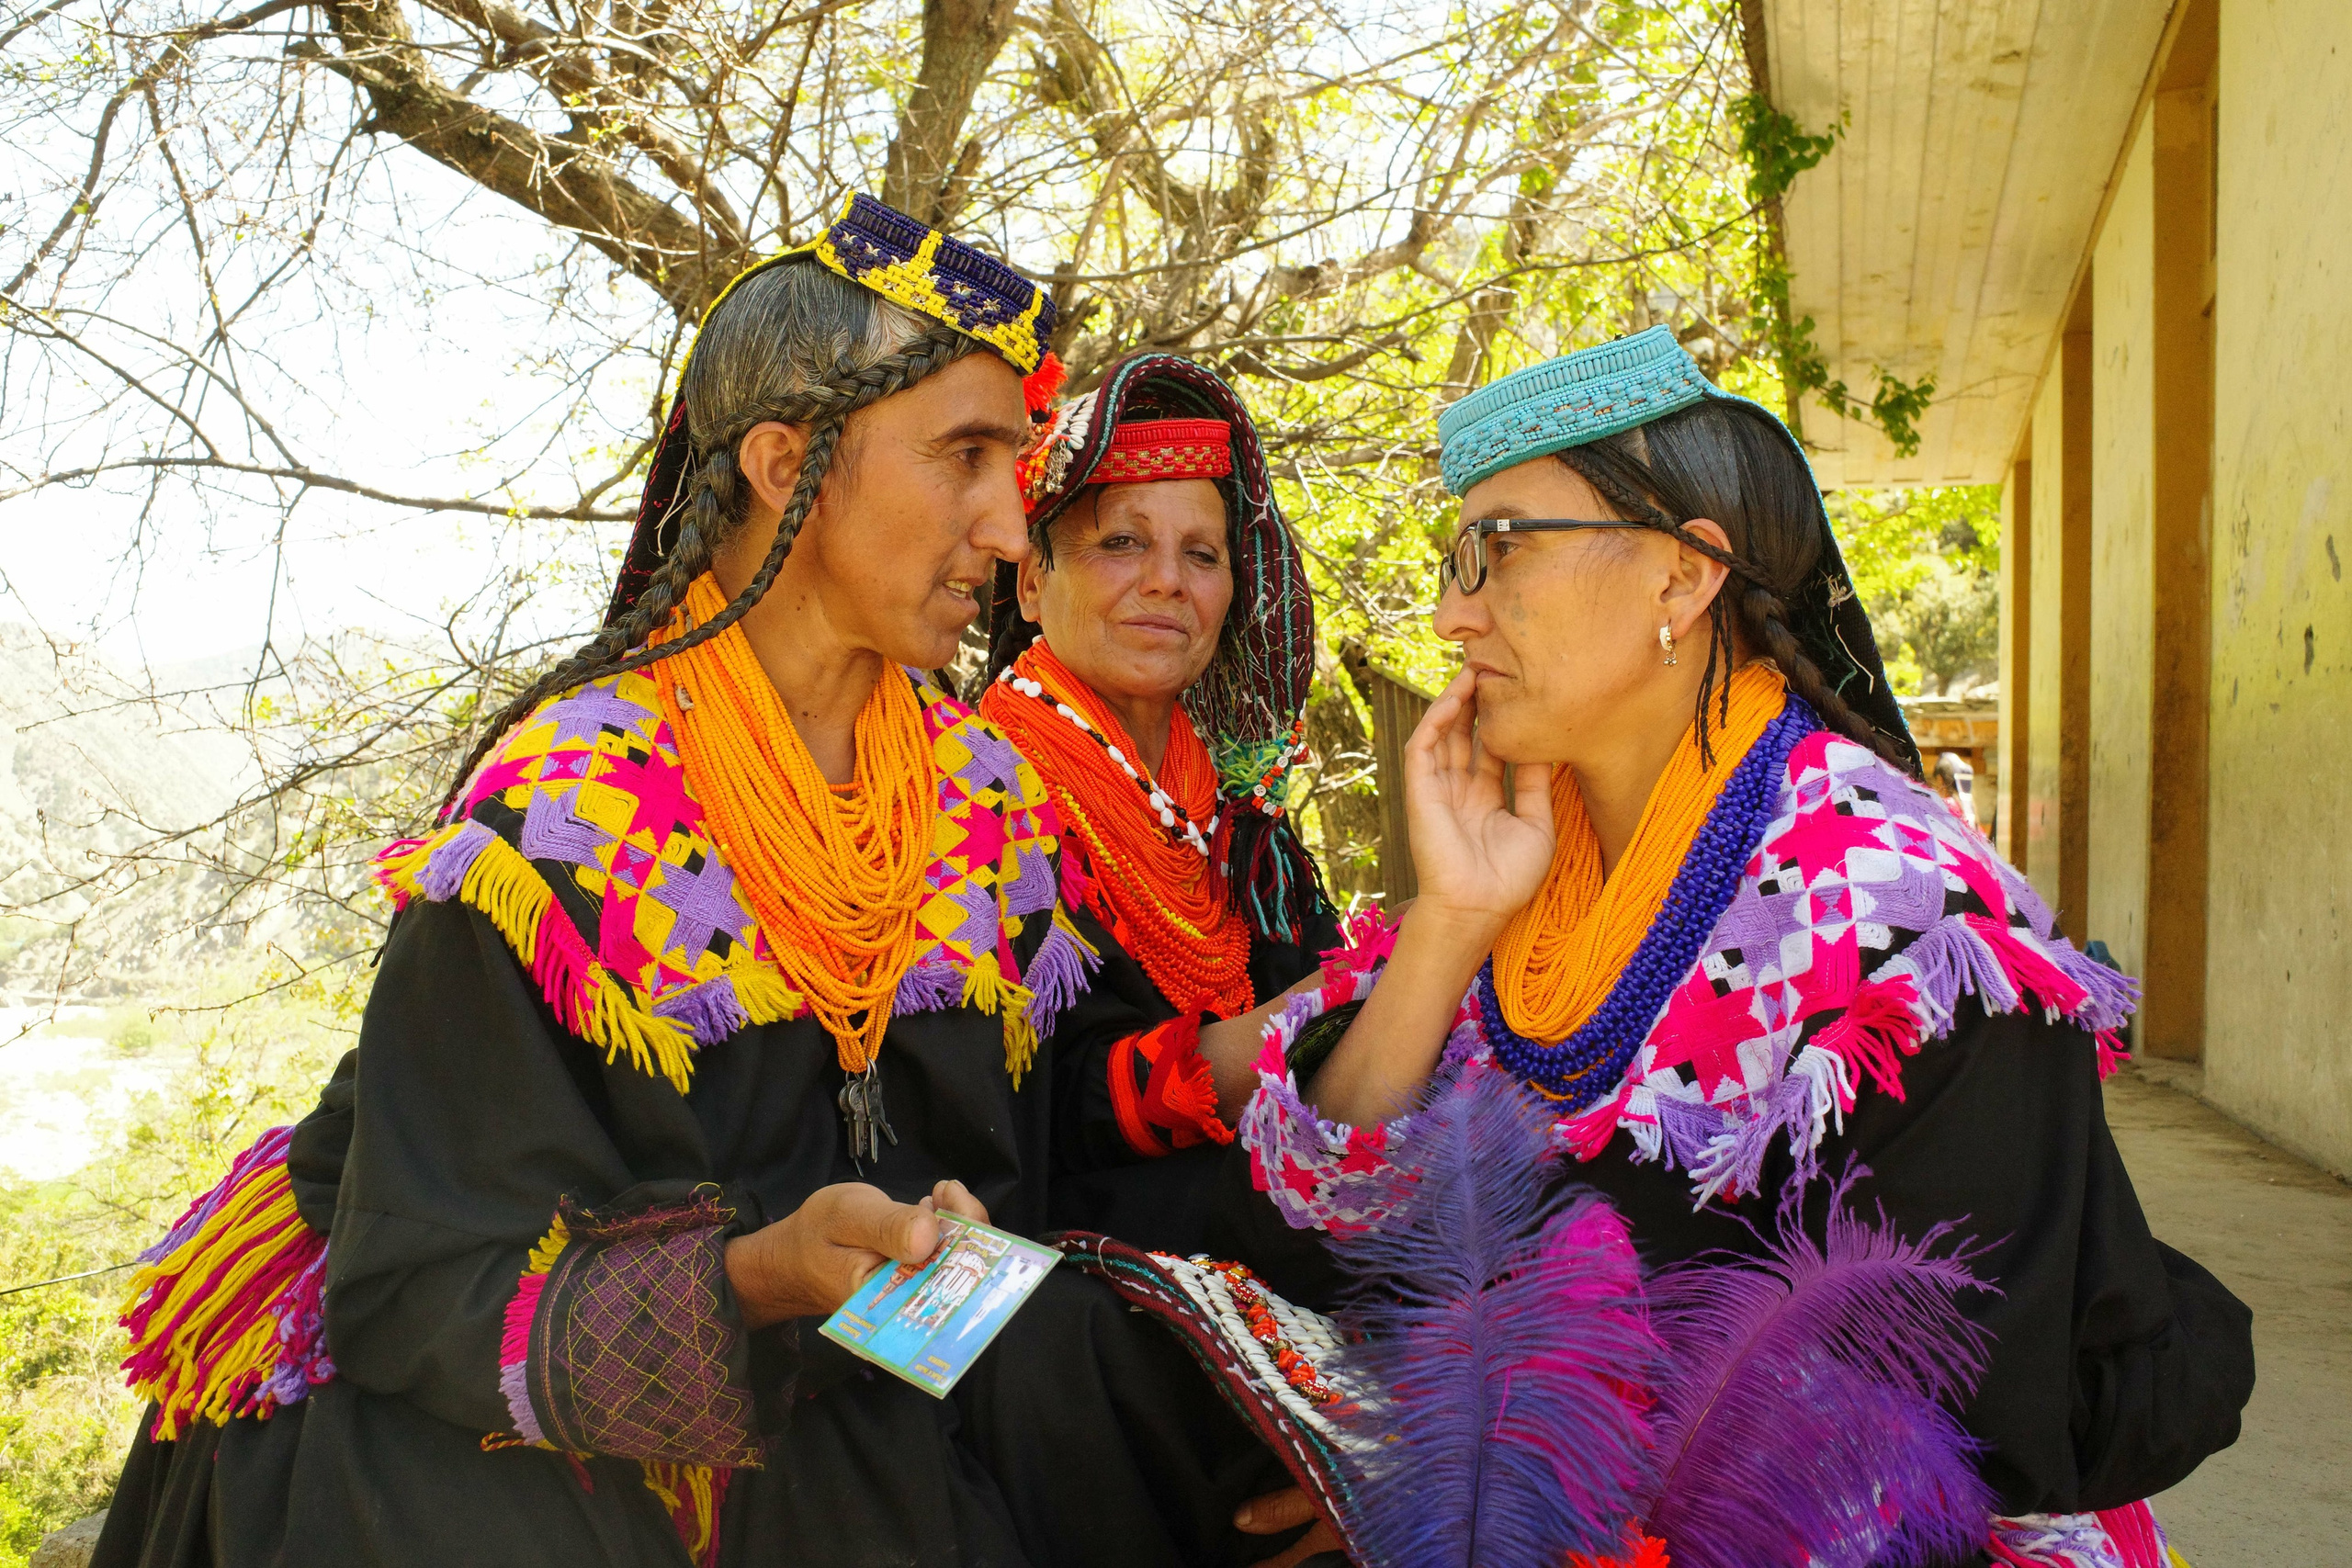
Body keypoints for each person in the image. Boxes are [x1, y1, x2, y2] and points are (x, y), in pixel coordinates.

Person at [95, 194, 1297, 1568]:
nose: (1012, 532)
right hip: (529, 1433)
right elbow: (426, 1284)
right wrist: (760, 1275)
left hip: (860, 1387)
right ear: (791, 463)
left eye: (1013, 466)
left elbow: (1038, 1177)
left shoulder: (982, 800)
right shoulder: (572, 816)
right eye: (966, 457)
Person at [1239, 328, 2255, 1557]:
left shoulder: (1898, 907)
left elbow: (1930, 1414)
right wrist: (1452, 920)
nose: (1453, 613)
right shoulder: (1526, 855)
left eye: (1499, 549)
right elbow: (1344, 1206)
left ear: (1684, 577)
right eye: (1456, 559)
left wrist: (1505, 1471)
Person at [978, 352, 1341, 1253]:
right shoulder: (974, 801)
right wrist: (1311, 1018)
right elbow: (1009, 1112)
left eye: (1201, 555)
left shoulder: (1245, 840)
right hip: (1066, 1290)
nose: (1167, 582)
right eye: (1122, 542)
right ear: (1030, 582)